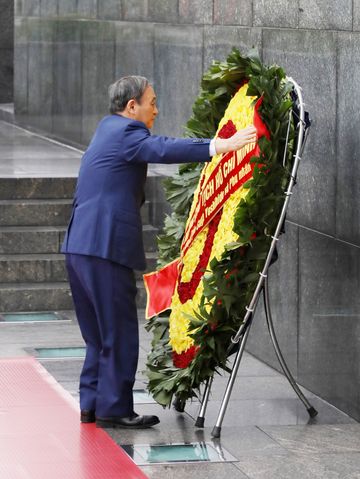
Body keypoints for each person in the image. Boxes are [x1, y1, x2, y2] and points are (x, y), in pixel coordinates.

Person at [62, 75, 257, 429]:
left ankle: (91, 403)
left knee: (97, 334)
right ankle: (114, 409)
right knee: (118, 330)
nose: (156, 109)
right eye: (152, 102)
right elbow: (164, 148)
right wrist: (220, 146)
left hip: (79, 245)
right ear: (131, 106)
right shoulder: (126, 133)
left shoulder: (106, 130)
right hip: (105, 248)